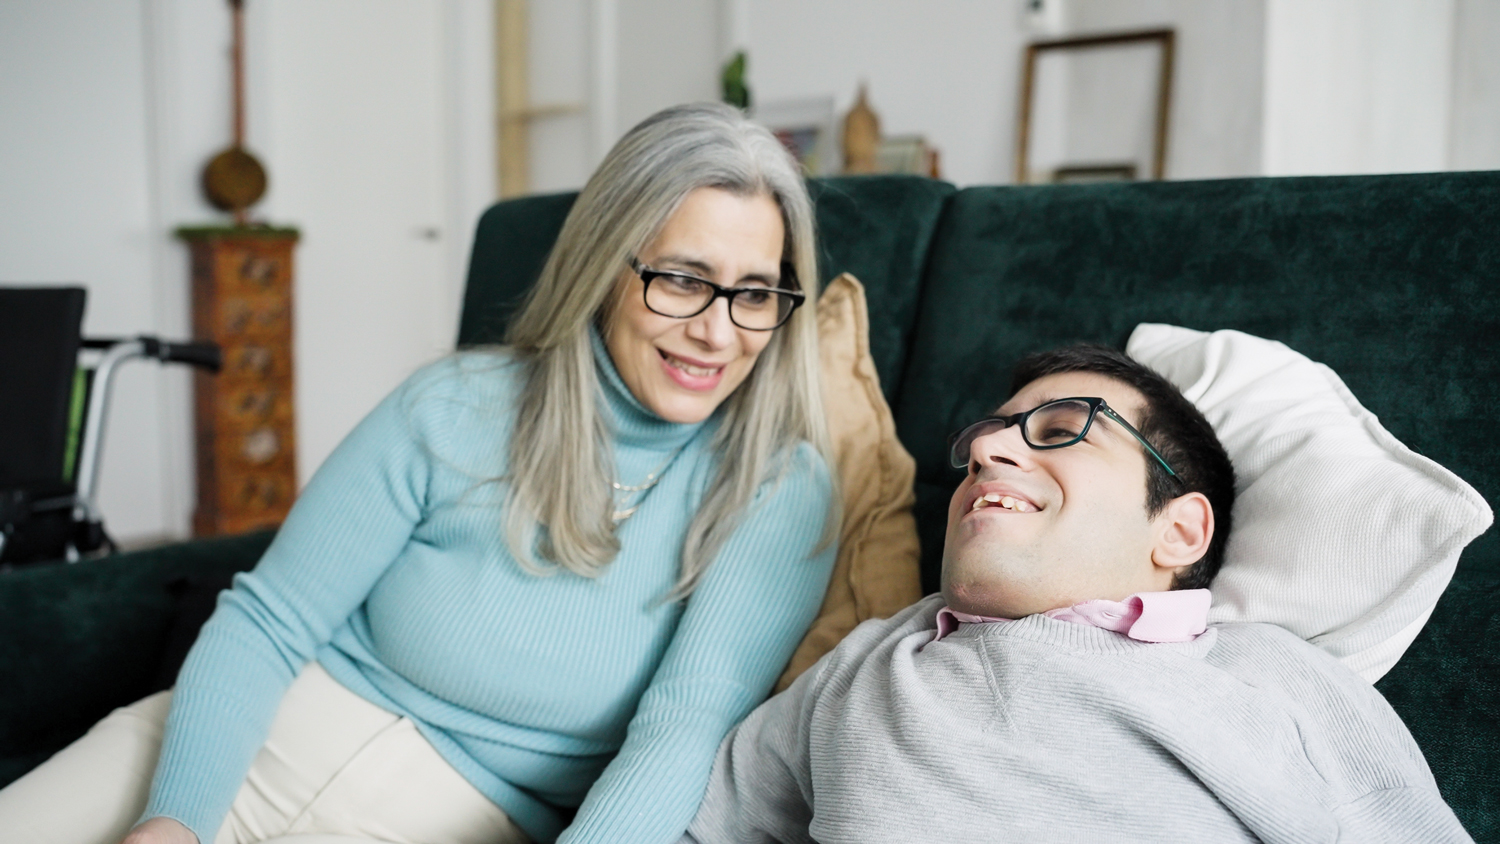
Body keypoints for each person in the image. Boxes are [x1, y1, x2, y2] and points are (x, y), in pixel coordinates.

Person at [0, 102, 840, 844]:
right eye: (683, 280)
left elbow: (682, 733)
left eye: (754, 293)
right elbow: (269, 618)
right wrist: (176, 816)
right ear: (602, 266)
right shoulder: (454, 404)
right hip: (240, 733)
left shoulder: (779, 488)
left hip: (452, 816)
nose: (718, 333)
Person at [682, 344, 1472, 843]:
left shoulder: (1271, 677)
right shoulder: (873, 660)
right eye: (987, 435)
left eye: (1061, 431)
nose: (988, 448)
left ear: (1180, 531)